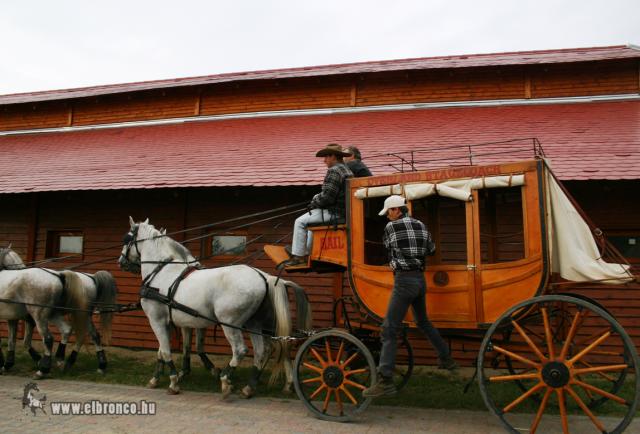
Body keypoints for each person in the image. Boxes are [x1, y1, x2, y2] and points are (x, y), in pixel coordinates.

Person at [363, 195, 457, 398]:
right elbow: (431, 250)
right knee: (423, 321)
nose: (388, 216)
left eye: (389, 211)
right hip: (419, 280)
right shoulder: (421, 225)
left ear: (397, 210)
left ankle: (385, 380)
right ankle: (445, 357)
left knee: (389, 329)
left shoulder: (391, 228)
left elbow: (388, 248)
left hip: (404, 282)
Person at [283, 144, 353, 266]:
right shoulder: (347, 170)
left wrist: (314, 203)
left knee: (299, 222)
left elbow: (328, 197)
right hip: (343, 211)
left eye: (326, 157)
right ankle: (307, 252)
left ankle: (299, 256)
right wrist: (317, 199)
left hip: (334, 213)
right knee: (310, 224)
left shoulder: (334, 171)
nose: (324, 161)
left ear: (333, 156)